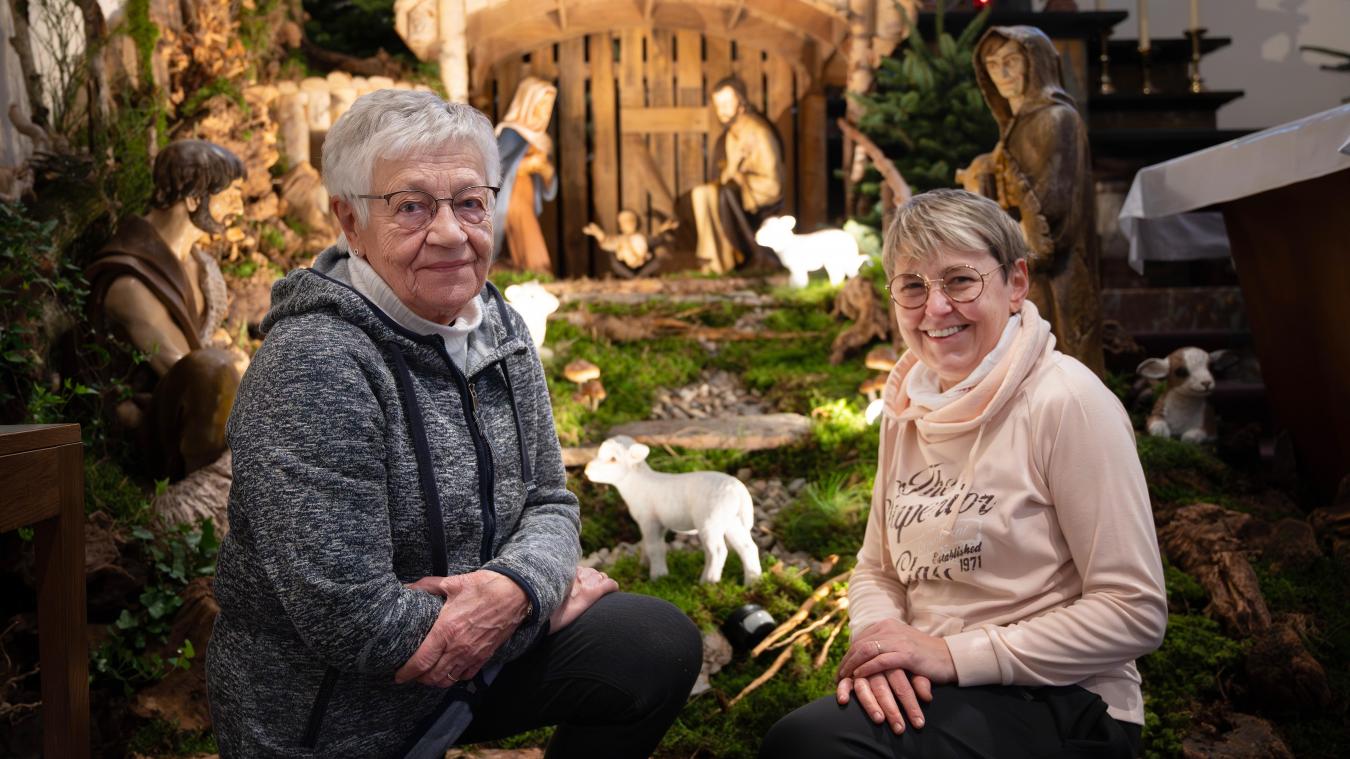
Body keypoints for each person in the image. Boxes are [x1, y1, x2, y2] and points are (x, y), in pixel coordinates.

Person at [206, 89, 701, 757]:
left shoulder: (496, 324)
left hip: (466, 666)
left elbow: (551, 501)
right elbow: (360, 625)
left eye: (470, 202)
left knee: (654, 644)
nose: (449, 232)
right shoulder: (315, 366)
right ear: (349, 221)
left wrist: (515, 587)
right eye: (411, 206)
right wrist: (539, 604)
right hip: (340, 716)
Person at [761, 189, 1166, 758]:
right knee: (801, 740)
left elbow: (1134, 611)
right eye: (912, 287)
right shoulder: (908, 404)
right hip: (938, 685)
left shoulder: (1066, 401)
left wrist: (951, 656)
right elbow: (877, 571)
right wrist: (884, 654)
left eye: (959, 281)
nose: (935, 308)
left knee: (811, 746)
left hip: (1066, 701)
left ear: (1016, 281)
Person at [85, 139, 246, 481]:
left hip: (201, 417)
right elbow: (187, 368)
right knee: (213, 371)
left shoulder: (197, 264)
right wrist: (239, 369)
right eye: (231, 196)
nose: (241, 209)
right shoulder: (129, 282)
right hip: (153, 433)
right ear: (193, 197)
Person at [956, 26, 1105, 376]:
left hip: (1052, 265)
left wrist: (1004, 241)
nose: (1002, 74)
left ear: (1035, 64)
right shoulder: (1017, 124)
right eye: (993, 65)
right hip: (1022, 262)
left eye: (1011, 61)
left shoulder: (1055, 118)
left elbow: (1050, 207)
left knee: (1062, 359)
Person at [689, 76, 784, 274]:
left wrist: (740, 176)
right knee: (702, 193)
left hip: (760, 190)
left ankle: (743, 254)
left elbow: (773, 181)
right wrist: (732, 168)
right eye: (718, 104)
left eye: (726, 103)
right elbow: (726, 173)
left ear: (740, 101)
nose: (721, 110)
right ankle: (713, 258)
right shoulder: (732, 133)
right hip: (738, 185)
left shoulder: (758, 130)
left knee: (726, 193)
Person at [493, 77, 558, 274]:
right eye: (540, 105)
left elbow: (547, 188)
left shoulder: (540, 139)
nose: (545, 111)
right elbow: (496, 168)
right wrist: (526, 164)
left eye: (548, 106)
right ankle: (539, 272)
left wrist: (547, 171)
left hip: (526, 195)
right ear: (527, 103)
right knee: (527, 237)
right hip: (511, 196)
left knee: (523, 236)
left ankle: (530, 274)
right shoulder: (511, 133)